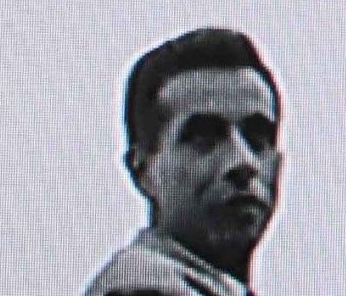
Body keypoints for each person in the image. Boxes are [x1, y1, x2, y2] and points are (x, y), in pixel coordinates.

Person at [85, 28, 283, 296]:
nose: (243, 161)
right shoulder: (145, 289)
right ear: (144, 171)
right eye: (204, 138)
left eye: (258, 139)